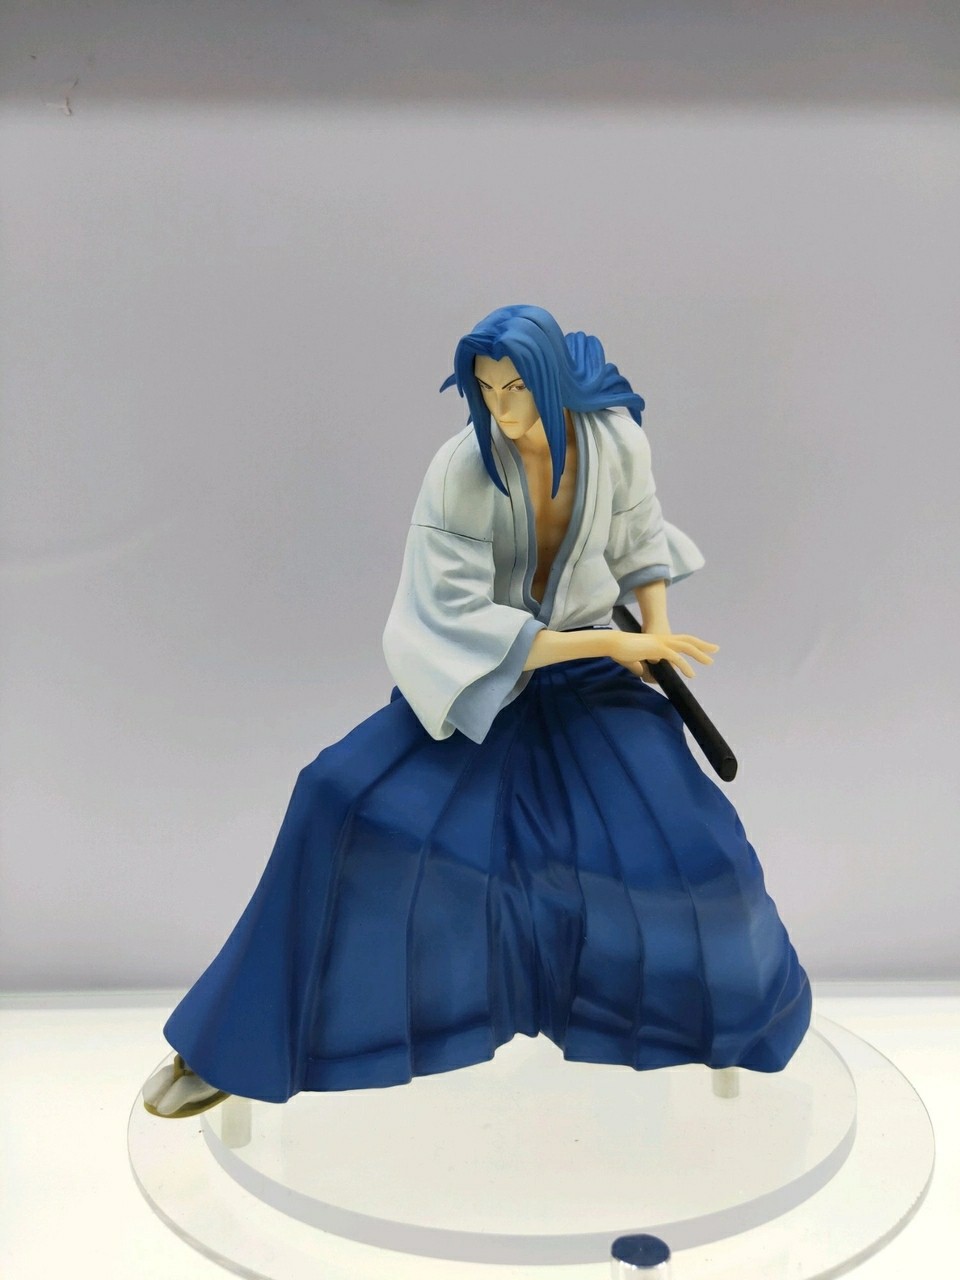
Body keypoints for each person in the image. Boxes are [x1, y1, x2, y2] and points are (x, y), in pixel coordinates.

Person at [142, 305, 811, 1119]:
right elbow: (458, 614)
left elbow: (641, 543)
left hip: (595, 688)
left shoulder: (613, 443)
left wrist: (656, 638)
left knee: (700, 854)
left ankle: (735, 1026)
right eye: (487, 390)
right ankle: (233, 1043)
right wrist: (612, 643)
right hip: (489, 683)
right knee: (333, 796)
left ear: (551, 382)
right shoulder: (464, 469)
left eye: (516, 388)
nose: (501, 407)